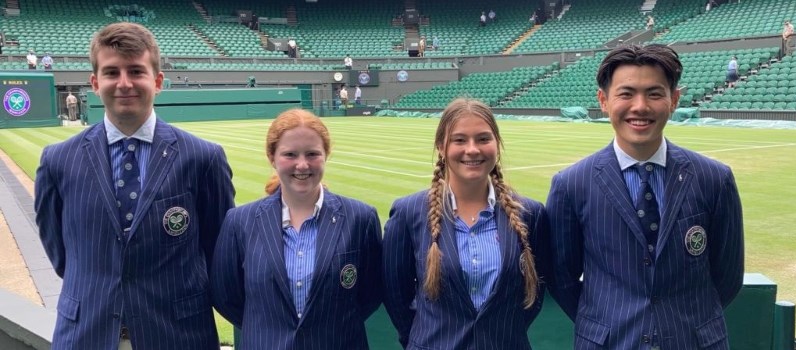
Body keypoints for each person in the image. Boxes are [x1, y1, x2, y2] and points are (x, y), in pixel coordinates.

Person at [34, 22, 235, 350]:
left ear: (157, 82)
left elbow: (220, 255)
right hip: (87, 335)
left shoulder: (203, 158)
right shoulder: (58, 160)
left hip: (178, 336)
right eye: (112, 72)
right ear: (95, 83)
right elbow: (61, 255)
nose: (124, 83)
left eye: (136, 71)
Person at [546, 44, 744, 349]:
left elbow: (728, 276)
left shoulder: (714, 179)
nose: (640, 106)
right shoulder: (571, 185)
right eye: (626, 94)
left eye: (654, 93)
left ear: (674, 100)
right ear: (603, 101)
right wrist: (606, 322)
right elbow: (562, 279)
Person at [382, 98, 551, 349]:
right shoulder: (409, 213)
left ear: (497, 144)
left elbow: (534, 295)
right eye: (459, 140)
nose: (472, 149)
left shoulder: (531, 213)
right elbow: (395, 295)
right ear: (441, 146)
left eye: (483, 139)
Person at [211, 109, 382, 349]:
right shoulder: (240, 222)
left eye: (312, 154)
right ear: (272, 157)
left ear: (326, 155)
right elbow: (226, 296)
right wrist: (270, 331)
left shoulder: (360, 218)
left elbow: (370, 294)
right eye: (290, 154)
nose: (302, 165)